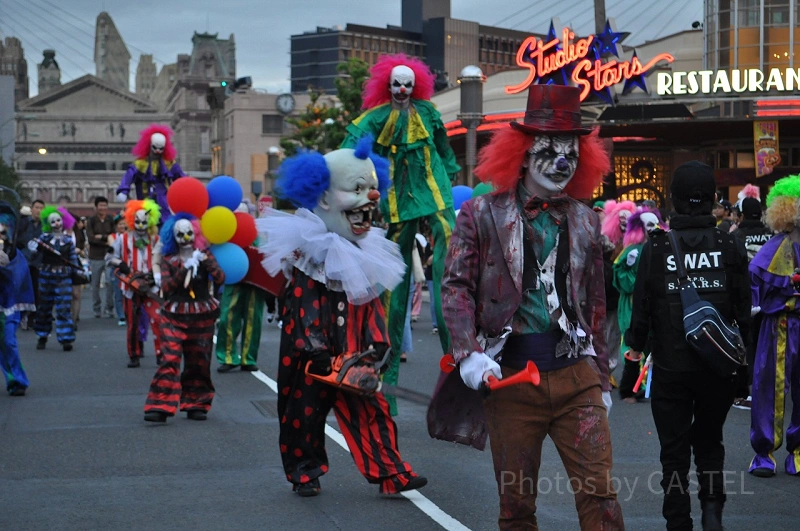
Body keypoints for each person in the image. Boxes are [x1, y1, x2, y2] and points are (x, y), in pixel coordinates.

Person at [430, 84, 622, 529]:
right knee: (517, 508)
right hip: (512, 379)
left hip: (577, 378)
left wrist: (601, 374)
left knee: (601, 495)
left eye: (570, 151)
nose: (561, 161)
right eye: (548, 149)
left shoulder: (586, 219)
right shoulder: (480, 213)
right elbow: (455, 286)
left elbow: (594, 305)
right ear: (522, 150)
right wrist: (468, 353)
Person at [257, 137, 427, 497]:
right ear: (323, 199)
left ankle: (391, 472)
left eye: (372, 188)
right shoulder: (309, 253)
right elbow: (302, 307)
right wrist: (315, 348)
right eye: (357, 188)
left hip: (353, 354)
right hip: (311, 360)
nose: (371, 197)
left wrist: (377, 349)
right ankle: (304, 472)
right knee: (302, 415)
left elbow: (369, 306)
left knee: (373, 410)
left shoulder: (367, 254)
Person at [625, 161, 751, 531]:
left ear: (674, 200)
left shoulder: (658, 247)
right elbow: (744, 314)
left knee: (674, 454)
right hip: (719, 368)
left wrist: (634, 357)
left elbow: (641, 313)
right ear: (713, 199)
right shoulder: (730, 244)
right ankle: (713, 517)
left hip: (671, 369)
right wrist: (742, 374)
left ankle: (678, 523)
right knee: (711, 443)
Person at [341, 53, 460, 415]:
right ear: (388, 86)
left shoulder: (427, 113)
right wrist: (349, 174)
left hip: (434, 191)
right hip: (398, 199)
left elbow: (442, 146)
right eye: (397, 84)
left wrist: (451, 169)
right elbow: (352, 141)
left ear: (416, 86)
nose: (403, 90)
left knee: (450, 262)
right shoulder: (377, 118)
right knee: (395, 279)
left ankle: (460, 363)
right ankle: (386, 387)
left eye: (408, 84)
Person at [143, 214, 224, 422]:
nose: (186, 237)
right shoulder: (169, 261)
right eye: (181, 234)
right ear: (173, 236)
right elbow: (168, 287)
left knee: (199, 361)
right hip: (175, 314)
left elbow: (221, 278)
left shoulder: (204, 255)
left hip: (202, 316)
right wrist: (184, 269)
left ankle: (196, 403)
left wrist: (207, 263)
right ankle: (160, 404)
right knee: (169, 357)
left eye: (189, 233)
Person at [747, 175, 800, 478]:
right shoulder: (773, 248)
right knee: (769, 388)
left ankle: (799, 451)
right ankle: (764, 452)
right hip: (778, 326)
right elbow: (754, 288)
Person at [613, 208, 665, 402]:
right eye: (648, 225)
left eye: (655, 223)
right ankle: (635, 385)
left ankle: (648, 382)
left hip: (655, 302)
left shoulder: (660, 246)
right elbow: (621, 281)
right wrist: (628, 267)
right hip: (633, 304)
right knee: (632, 339)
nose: (653, 228)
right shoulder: (631, 250)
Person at [106, 199, 163, 368]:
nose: (140, 225)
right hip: (130, 286)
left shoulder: (156, 239)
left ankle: (161, 354)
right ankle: (134, 354)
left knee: (158, 320)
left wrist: (156, 273)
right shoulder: (122, 239)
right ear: (131, 220)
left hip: (151, 286)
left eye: (144, 221)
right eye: (137, 221)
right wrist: (120, 264)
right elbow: (109, 257)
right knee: (133, 322)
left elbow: (164, 258)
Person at [731, 188, 773, 410]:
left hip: (744, 299)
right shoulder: (772, 234)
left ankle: (743, 390)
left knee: (744, 344)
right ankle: (767, 388)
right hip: (771, 298)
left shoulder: (736, 236)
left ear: (742, 214)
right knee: (767, 343)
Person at [216, 205, 269, 373]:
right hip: (233, 278)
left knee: (253, 318)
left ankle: (249, 358)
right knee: (227, 317)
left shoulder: (259, 232)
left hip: (255, 280)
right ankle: (228, 357)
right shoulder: (227, 232)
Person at [30, 206, 83, 351]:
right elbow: (35, 256)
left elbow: (72, 258)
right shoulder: (43, 239)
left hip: (63, 276)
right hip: (46, 275)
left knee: (64, 307)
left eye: (59, 220)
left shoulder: (67, 241)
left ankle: (66, 338)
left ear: (63, 221)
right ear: (48, 223)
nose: (57, 224)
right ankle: (42, 335)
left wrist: (76, 273)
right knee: (44, 307)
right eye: (53, 222)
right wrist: (34, 250)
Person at [1, 203, 34, 396]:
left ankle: (17, 380)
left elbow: (19, 278)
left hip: (7, 304)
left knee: (8, 341)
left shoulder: (14, 253)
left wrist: (6, 266)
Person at [116, 124, 185, 214]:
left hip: (164, 203)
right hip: (145, 201)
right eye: (155, 148)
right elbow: (128, 176)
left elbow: (181, 179)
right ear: (149, 145)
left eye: (161, 149)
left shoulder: (170, 163)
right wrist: (124, 190)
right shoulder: (140, 164)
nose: (157, 152)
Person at [16, 199, 44, 329]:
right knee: (22, 289)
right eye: (37, 208)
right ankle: (22, 316)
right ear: (32, 209)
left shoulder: (45, 226)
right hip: (23, 260)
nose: (39, 211)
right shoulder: (23, 223)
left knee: (36, 290)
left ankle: (33, 317)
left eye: (41, 208)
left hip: (38, 262)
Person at [86, 196, 115, 318]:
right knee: (95, 284)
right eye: (100, 205)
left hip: (109, 256)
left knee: (110, 282)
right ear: (96, 207)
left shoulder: (111, 219)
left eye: (105, 205)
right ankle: (96, 308)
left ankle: (109, 308)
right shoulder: (91, 221)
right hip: (95, 256)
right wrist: (106, 239)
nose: (102, 208)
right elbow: (91, 239)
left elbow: (114, 237)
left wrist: (101, 237)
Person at [108, 215, 128, 325]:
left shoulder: (130, 236)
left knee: (128, 293)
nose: (122, 226)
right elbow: (113, 248)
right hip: (117, 268)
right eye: (120, 224)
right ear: (116, 226)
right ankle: (121, 316)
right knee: (118, 292)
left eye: (124, 223)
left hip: (128, 268)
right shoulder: (113, 237)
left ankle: (128, 313)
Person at [70, 215, 88, 327]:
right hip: (62, 264)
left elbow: (83, 250)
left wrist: (79, 251)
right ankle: (67, 317)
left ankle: (74, 319)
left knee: (76, 294)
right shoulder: (59, 233)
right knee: (66, 294)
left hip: (76, 263)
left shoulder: (78, 233)